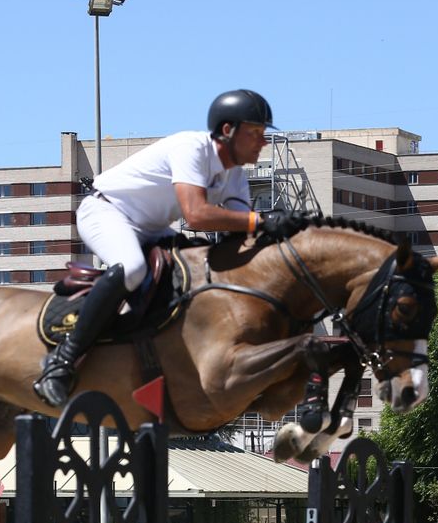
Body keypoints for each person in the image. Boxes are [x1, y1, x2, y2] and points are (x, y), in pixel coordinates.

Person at [34, 89, 300, 407]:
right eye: (255, 133)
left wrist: (283, 231)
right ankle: (62, 362)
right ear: (228, 131)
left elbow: (238, 232)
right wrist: (261, 221)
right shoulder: (193, 148)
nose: (263, 142)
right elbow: (197, 214)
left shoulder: (235, 176)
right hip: (107, 212)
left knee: (199, 268)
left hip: (151, 229)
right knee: (131, 269)